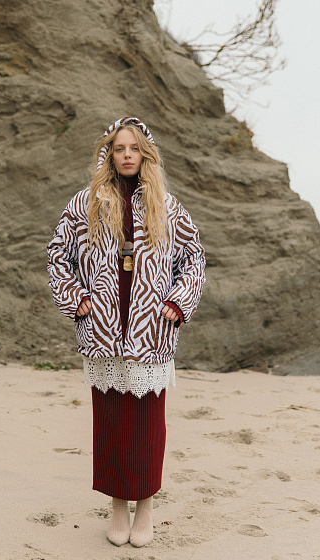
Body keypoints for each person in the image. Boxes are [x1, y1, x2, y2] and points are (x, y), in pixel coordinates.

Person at [47, 117, 205, 547]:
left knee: (149, 426)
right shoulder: (85, 204)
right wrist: (76, 297)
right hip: (102, 331)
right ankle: (118, 507)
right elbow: (58, 254)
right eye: (120, 148)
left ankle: (146, 507)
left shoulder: (168, 207)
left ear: (146, 154)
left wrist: (177, 302)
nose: (127, 155)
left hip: (151, 333)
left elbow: (193, 258)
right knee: (111, 424)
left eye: (134, 148)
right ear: (110, 154)